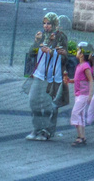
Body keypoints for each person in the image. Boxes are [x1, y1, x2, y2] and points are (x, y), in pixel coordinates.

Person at [26, 12, 68, 141]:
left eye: (49, 23)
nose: (46, 26)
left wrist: (50, 51)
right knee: (33, 100)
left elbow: (64, 57)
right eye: (44, 23)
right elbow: (31, 54)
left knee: (49, 104)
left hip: (52, 76)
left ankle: (47, 130)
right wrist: (36, 42)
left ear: (54, 24)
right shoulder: (42, 35)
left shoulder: (60, 37)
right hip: (39, 74)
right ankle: (37, 128)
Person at [70, 43, 94, 146]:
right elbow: (78, 79)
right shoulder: (79, 65)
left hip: (83, 94)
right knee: (80, 115)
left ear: (82, 54)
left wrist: (90, 95)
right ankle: (82, 137)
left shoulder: (85, 66)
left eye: (79, 50)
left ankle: (80, 137)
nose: (77, 52)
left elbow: (90, 80)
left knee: (75, 113)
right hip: (78, 94)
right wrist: (70, 81)